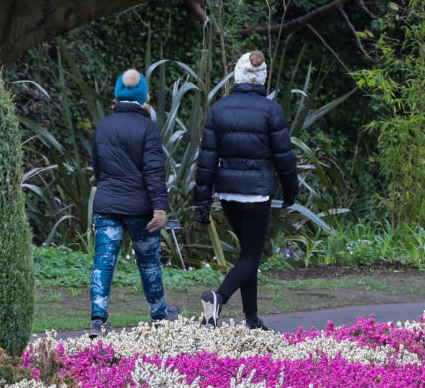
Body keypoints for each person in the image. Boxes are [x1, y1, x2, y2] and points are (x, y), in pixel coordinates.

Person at [193, 50, 296, 328]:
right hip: (257, 193)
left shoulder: (219, 109)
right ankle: (219, 297)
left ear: (236, 76)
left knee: (246, 253)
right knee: (252, 255)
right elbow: (284, 157)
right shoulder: (271, 110)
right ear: (261, 79)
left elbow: (206, 161)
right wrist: (291, 191)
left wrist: (201, 203)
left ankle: (251, 317)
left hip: (227, 194)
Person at [86, 68, 175, 336]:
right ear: (143, 97)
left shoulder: (102, 126)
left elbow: (97, 168)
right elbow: (154, 172)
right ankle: (159, 316)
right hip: (141, 210)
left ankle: (98, 320)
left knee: (103, 262)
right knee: (148, 264)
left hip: (107, 205)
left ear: (117, 96)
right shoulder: (148, 128)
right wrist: (159, 208)